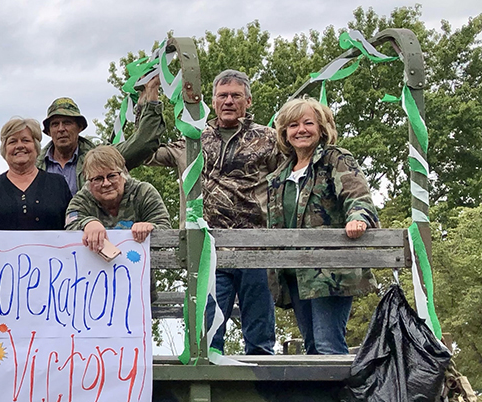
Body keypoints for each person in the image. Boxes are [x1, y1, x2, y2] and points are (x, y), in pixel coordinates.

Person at [143, 70, 282, 355]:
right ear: (213, 101)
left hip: (254, 247)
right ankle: (207, 387)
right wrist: (150, 101)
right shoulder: (194, 138)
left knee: (259, 331)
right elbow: (147, 154)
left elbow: (299, 167)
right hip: (207, 249)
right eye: (223, 95)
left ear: (248, 101)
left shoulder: (270, 139)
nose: (229, 101)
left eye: (236, 95)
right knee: (207, 334)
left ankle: (261, 391)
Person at [266, 97, 379, 355]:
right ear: (284, 132)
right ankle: (320, 397)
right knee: (312, 347)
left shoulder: (335, 159)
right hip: (294, 273)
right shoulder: (279, 175)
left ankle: (338, 396)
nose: (301, 130)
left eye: (308, 123)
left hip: (329, 270)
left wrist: (358, 218)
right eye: (293, 125)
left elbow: (357, 195)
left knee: (329, 344)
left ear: (322, 128)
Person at [39, 93, 163, 195]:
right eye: (55, 124)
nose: (61, 129)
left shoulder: (103, 158)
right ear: (48, 131)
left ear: (80, 127)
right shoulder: (33, 165)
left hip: (92, 224)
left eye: (67, 123)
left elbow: (142, 144)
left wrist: (152, 98)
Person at [64, 145, 169, 252]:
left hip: (138, 264)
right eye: (98, 179)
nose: (106, 183)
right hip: (94, 266)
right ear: (89, 183)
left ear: (123, 174)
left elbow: (165, 230)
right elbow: (70, 225)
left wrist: (149, 227)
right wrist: (88, 223)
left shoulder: (143, 192)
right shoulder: (81, 200)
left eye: (112, 176)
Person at [0, 118, 71, 231]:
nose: (19, 146)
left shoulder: (57, 183)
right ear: (4, 149)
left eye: (25, 140)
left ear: (36, 147)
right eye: (12, 141)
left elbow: (73, 222)